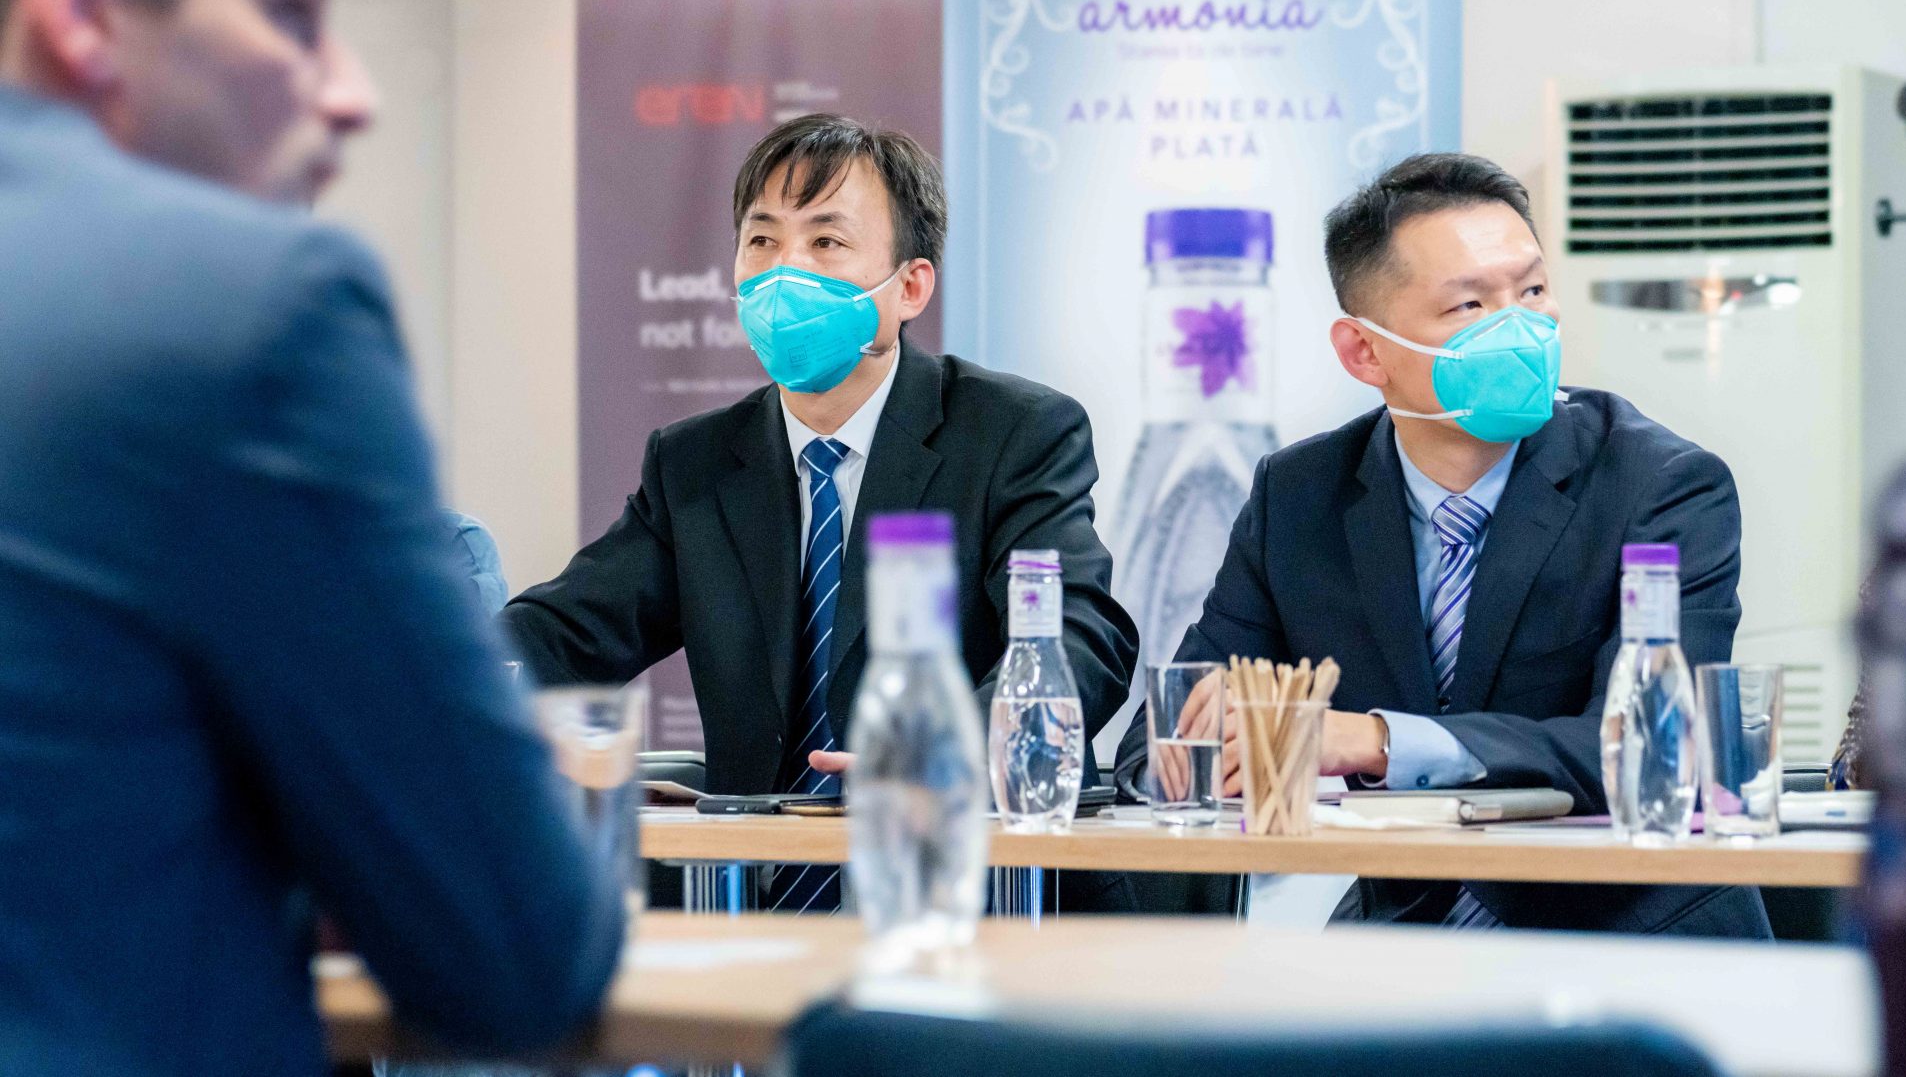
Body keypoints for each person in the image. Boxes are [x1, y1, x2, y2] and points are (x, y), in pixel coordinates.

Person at [0, 0, 624, 1074]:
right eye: (290, 12)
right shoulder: (246, 306)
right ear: (76, 3)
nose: (350, 93)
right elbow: (516, 952)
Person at [1115, 152, 1769, 936]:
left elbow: (1648, 749)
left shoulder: (1660, 486)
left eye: (1532, 290)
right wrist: (1204, 746)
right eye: (1470, 305)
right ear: (1365, 352)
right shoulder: (1300, 497)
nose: (1520, 327)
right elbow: (1153, 751)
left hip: (1626, 933)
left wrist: (1375, 740)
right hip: (1407, 936)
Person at [504, 113, 1138, 911]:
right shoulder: (696, 462)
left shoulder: (1011, 434)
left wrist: (942, 749)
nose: (784, 271)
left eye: (826, 241)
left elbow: (1081, 637)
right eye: (762, 240)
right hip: (752, 907)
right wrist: (434, 674)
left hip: (975, 892)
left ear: (909, 287)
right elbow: (566, 634)